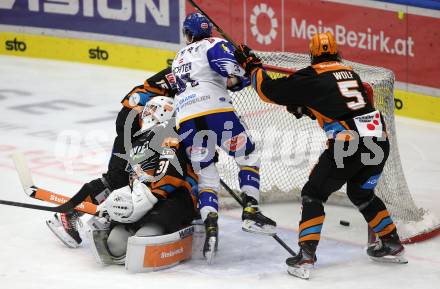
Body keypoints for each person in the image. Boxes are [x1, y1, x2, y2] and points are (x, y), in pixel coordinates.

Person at [234, 32, 406, 279]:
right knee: (361, 193)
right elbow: (340, 103)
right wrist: (309, 109)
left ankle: (305, 257)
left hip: (349, 145)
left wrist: (253, 66)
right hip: (379, 141)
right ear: (336, 52)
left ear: (313, 54)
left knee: (313, 194)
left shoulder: (311, 76)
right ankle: (391, 242)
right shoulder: (350, 73)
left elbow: (267, 90)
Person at [171, 12, 277, 262]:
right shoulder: (215, 44)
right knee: (248, 156)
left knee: (206, 175)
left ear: (188, 33)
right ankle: (251, 210)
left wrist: (240, 73)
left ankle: (210, 227)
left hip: (186, 119)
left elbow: (228, 82)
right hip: (217, 113)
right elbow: (233, 72)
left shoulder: (178, 57)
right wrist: (248, 62)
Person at [46, 67, 177, 248]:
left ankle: (99, 214)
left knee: (132, 176)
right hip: (140, 120)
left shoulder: (195, 63)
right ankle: (68, 214)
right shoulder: (194, 66)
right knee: (118, 177)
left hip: (144, 119)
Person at [88, 96, 198, 264]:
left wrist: (150, 196)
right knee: (115, 243)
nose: (148, 112)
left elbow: (171, 173)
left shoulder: (173, 134)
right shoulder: (138, 140)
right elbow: (133, 176)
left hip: (173, 196)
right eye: (148, 108)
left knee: (145, 235)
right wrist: (118, 202)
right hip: (144, 197)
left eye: (154, 109)